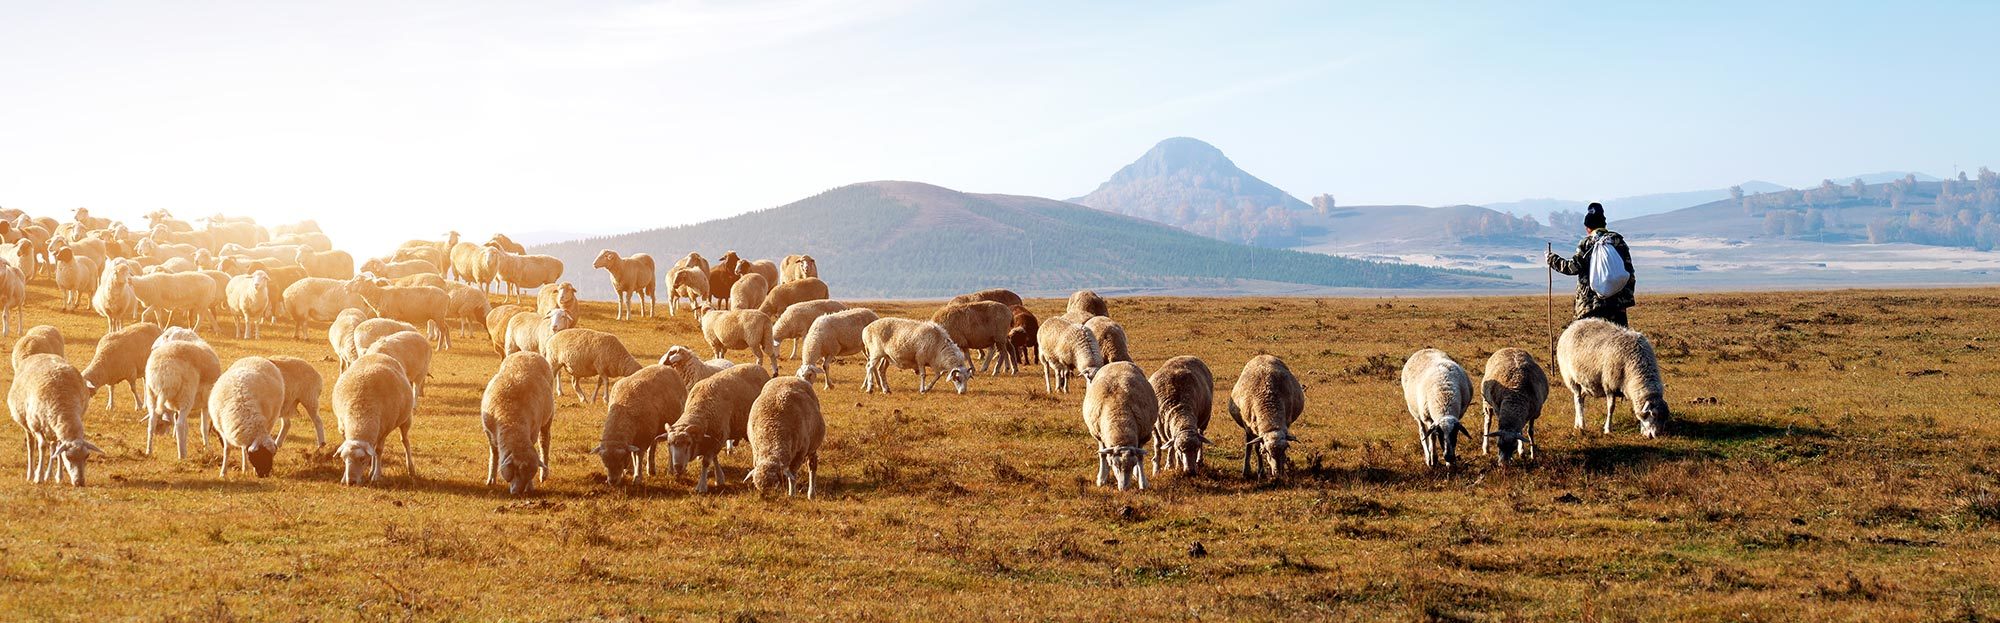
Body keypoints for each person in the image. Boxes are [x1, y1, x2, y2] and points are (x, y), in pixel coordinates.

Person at [1547, 202, 1635, 326]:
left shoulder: (1587, 243)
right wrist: (1625, 301)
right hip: (1617, 308)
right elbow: (1629, 273)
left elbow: (1573, 268)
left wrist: (1552, 259)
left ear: (1587, 227)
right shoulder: (1618, 242)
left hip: (1590, 308)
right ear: (1604, 224)